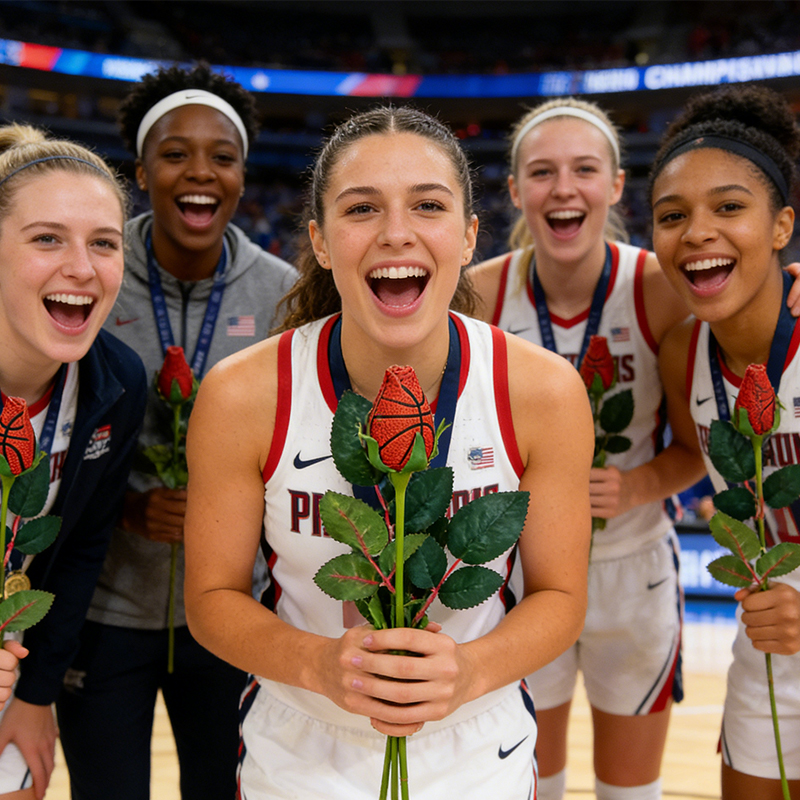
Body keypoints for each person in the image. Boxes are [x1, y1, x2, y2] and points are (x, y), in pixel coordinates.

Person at [182, 105, 593, 799]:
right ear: (319, 239)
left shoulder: (543, 390)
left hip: (476, 740)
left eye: (427, 206)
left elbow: (560, 595)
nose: (396, 233)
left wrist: (472, 669)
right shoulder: (241, 394)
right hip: (302, 742)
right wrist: (314, 663)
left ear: (467, 237)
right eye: (362, 208)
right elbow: (211, 598)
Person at [55, 63, 298, 800]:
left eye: (222, 157)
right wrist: (124, 506)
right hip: (100, 610)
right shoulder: (88, 272)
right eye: (175, 154)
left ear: (243, 175)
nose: (200, 173)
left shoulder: (284, 292)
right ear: (140, 171)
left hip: (232, 615)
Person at [467, 97, 710, 800]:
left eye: (583, 170)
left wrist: (635, 486)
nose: (563, 188)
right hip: (519, 573)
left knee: (630, 789)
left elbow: (695, 449)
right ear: (516, 192)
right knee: (528, 784)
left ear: (613, 185)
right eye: (542, 172)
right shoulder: (479, 295)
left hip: (632, 567)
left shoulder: (661, 290)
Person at [650, 83, 800, 800]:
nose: (697, 231)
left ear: (781, 227)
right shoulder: (682, 353)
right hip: (766, 647)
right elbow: (706, 478)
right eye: (672, 215)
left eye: (730, 207)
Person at [0, 124, 146, 800]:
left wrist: (35, 694)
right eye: (47, 239)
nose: (83, 269)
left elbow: (82, 547)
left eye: (105, 244)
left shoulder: (117, 381)